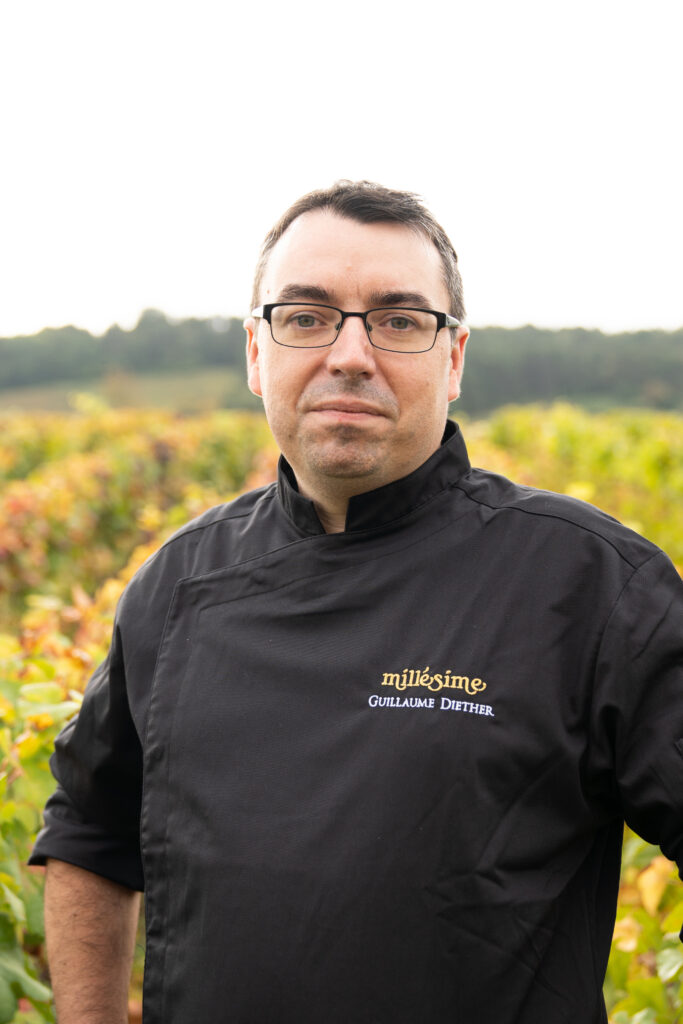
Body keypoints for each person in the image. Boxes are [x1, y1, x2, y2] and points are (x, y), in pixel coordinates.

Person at [31, 180, 683, 1024]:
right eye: (305, 316)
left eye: (398, 320)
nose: (348, 354)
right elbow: (90, 832)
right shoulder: (176, 584)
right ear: (256, 352)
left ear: (452, 359)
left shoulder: (590, 584)